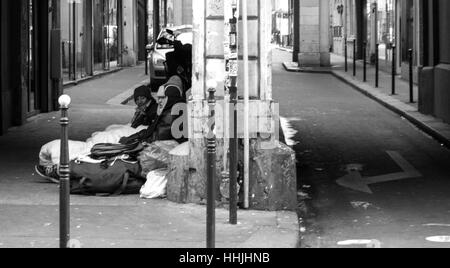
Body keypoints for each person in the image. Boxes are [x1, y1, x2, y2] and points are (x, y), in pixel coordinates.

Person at [119, 82, 187, 145]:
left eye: (163, 97)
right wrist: (132, 138)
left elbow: (157, 136)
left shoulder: (171, 113)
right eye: (159, 97)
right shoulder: (168, 110)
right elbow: (150, 130)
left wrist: (133, 140)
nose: (159, 101)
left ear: (171, 98)